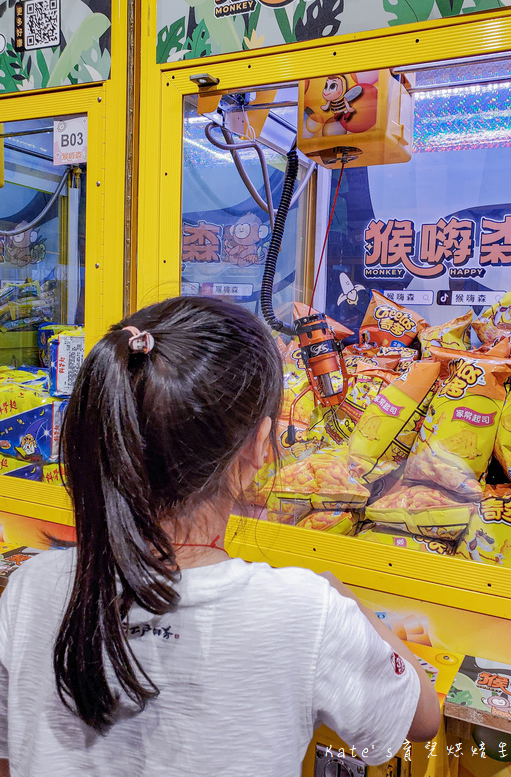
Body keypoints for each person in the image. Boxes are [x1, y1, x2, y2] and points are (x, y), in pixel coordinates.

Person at [0, 296, 439, 776]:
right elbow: (422, 719)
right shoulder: (305, 611)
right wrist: (346, 603)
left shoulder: (30, 587)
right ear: (256, 450)